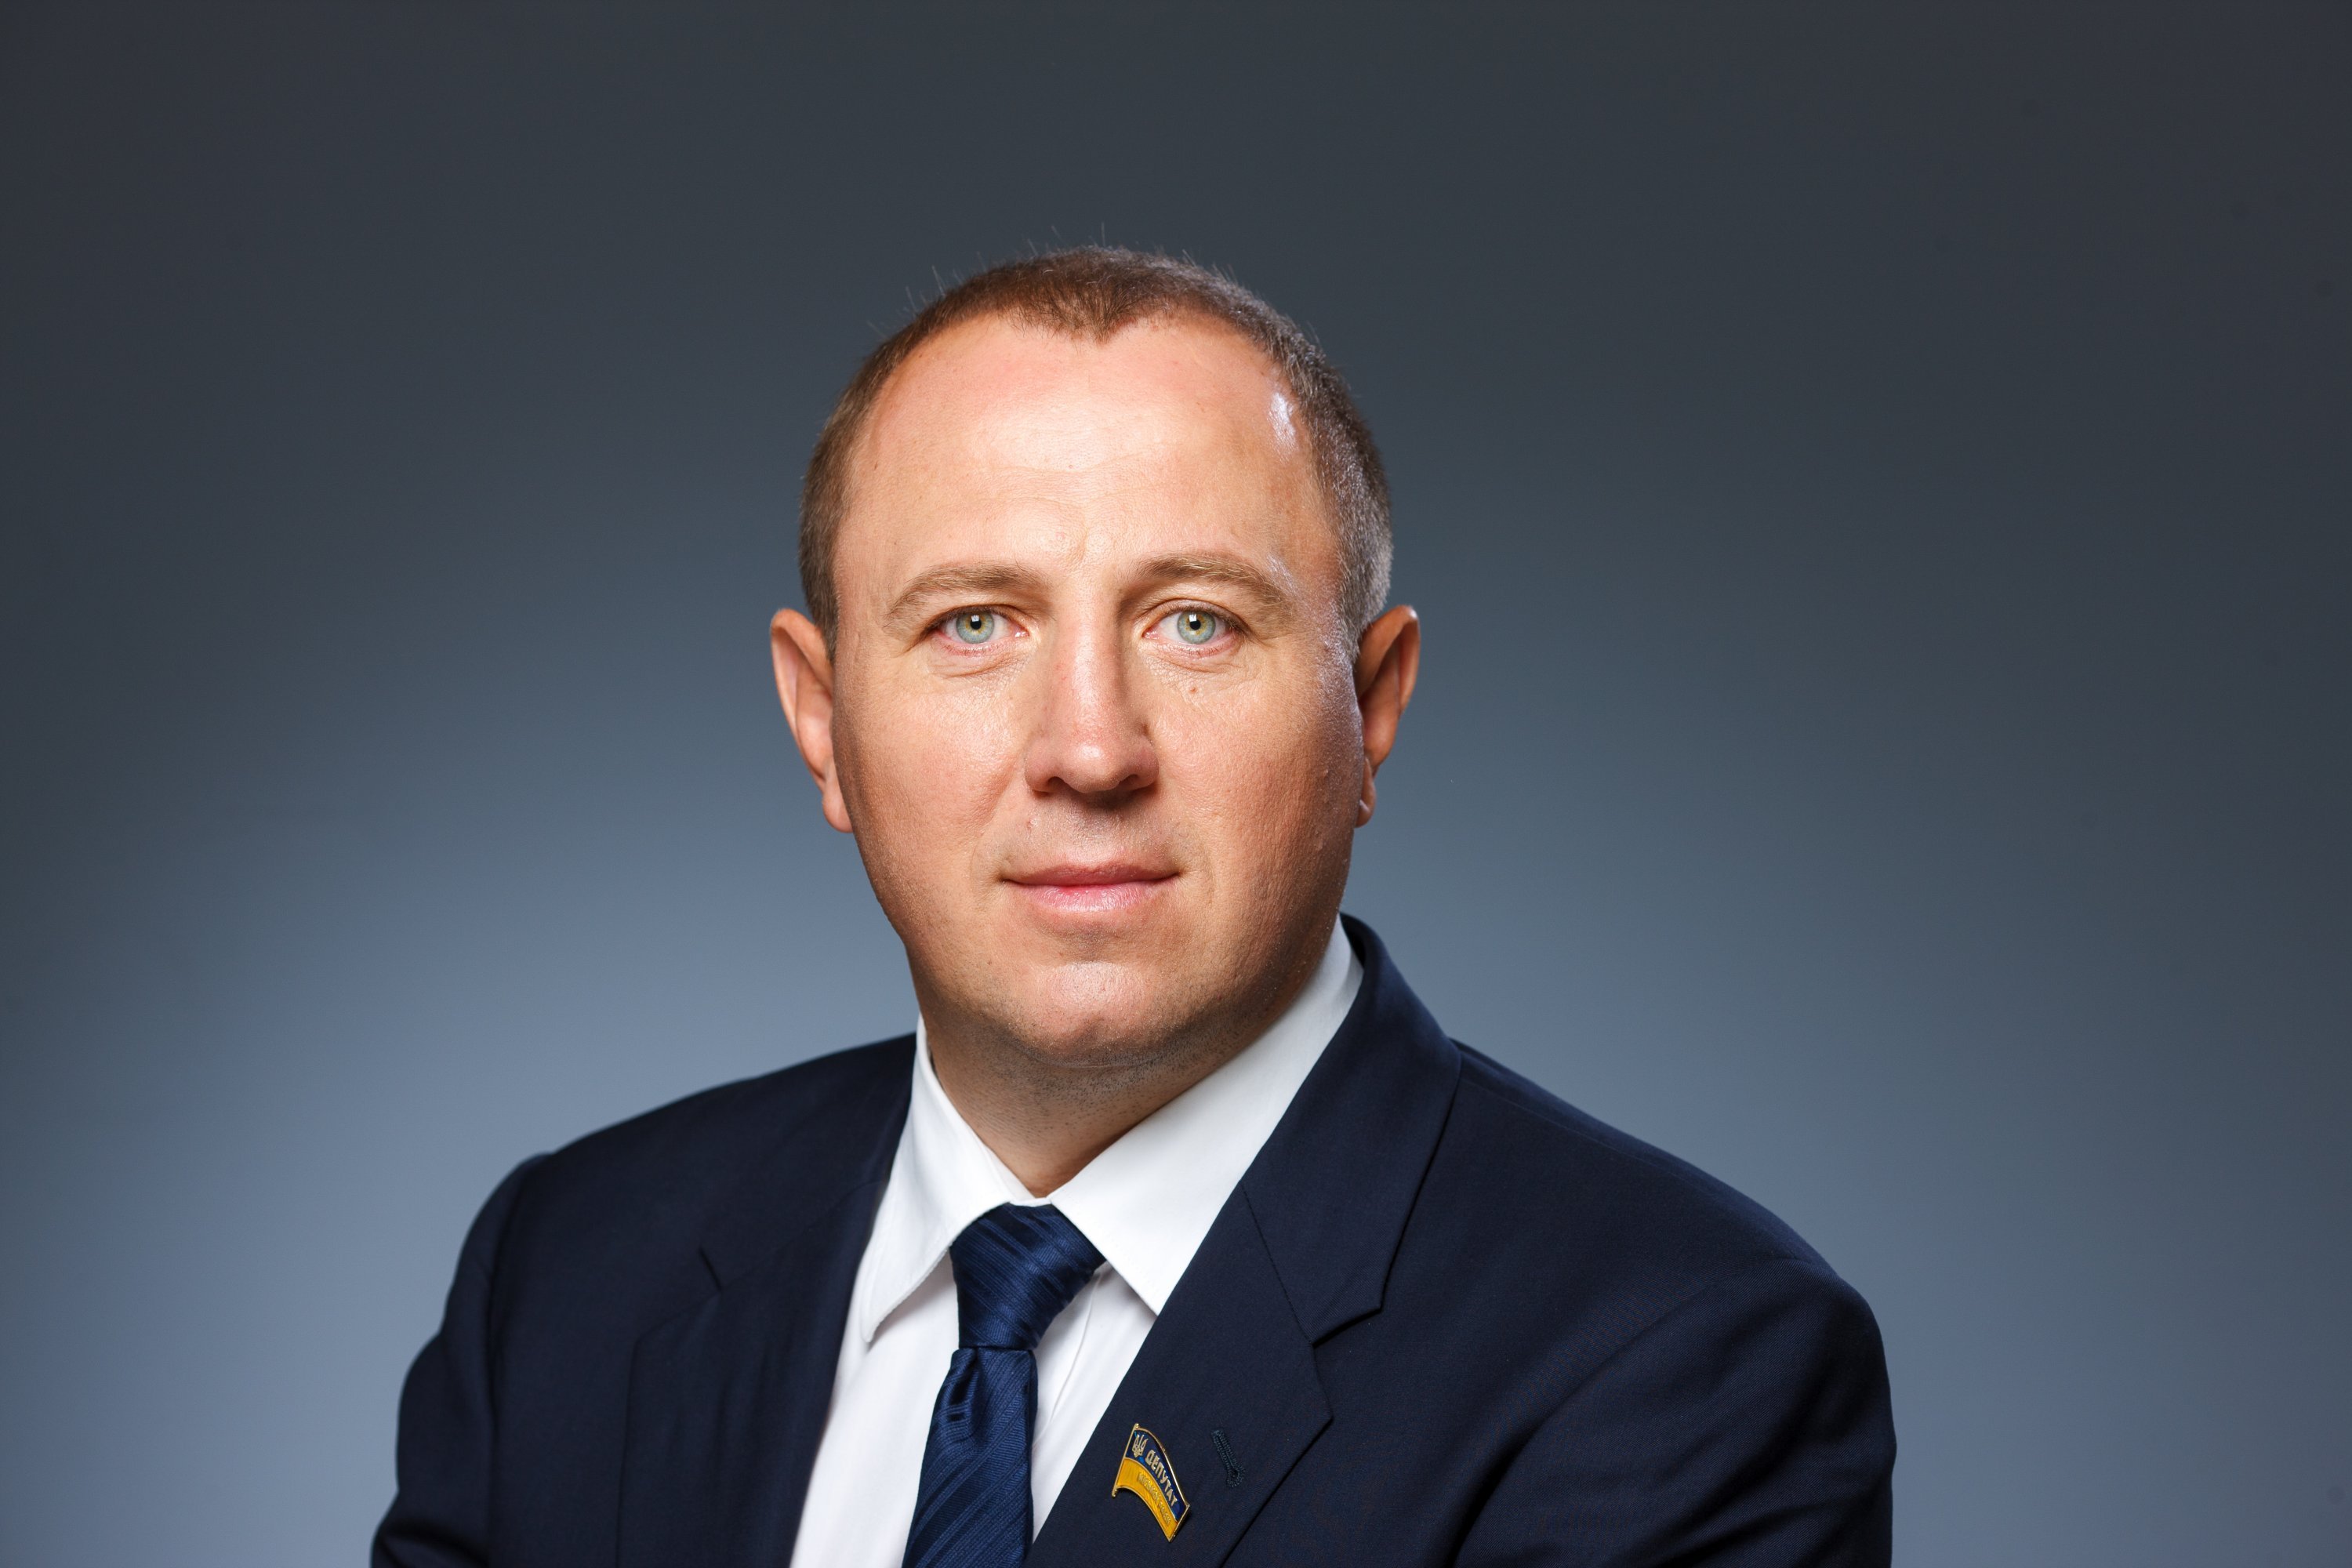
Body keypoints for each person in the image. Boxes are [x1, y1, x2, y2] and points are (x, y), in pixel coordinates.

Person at [376, 247, 1894, 1567]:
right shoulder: (571, 1274)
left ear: (1370, 709)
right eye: (976, 623)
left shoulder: (1683, 1358)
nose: (1091, 750)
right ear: (822, 722)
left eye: (1197, 623)